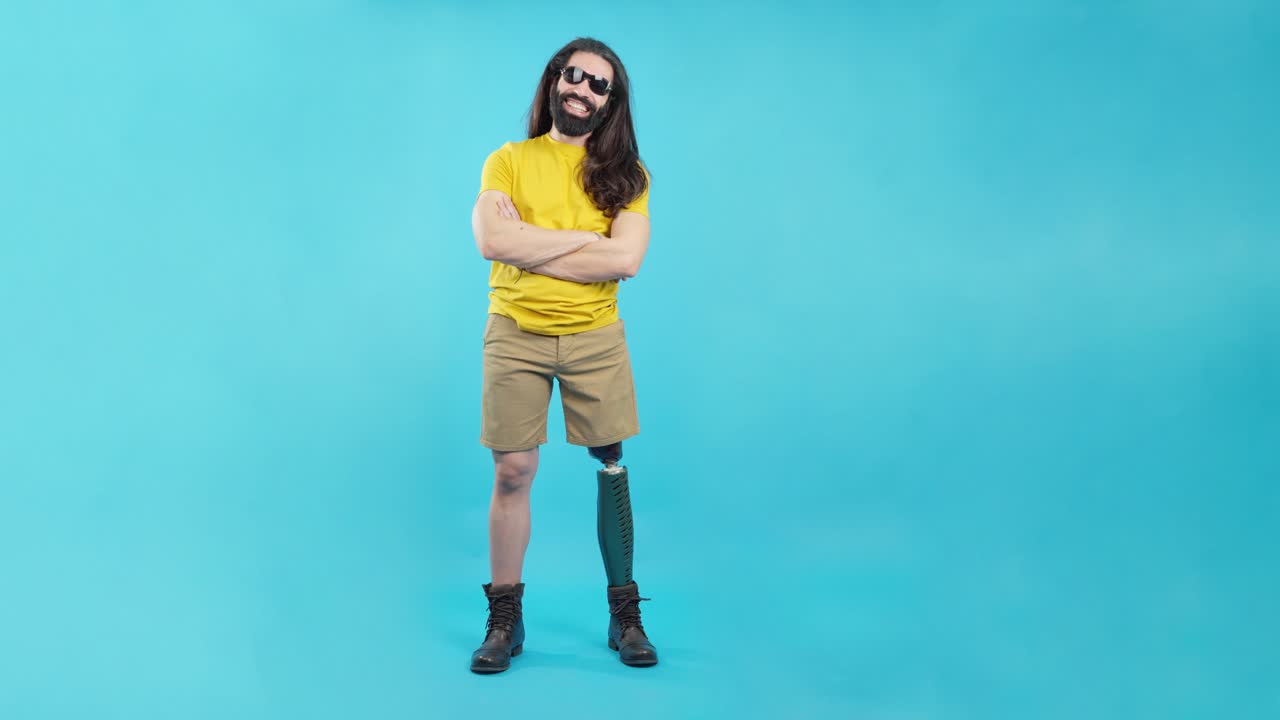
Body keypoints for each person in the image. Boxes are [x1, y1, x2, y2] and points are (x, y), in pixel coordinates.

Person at [467, 37, 658, 674]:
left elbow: (626, 259)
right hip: (515, 331)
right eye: (572, 75)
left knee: (611, 466)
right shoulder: (508, 160)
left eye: (597, 84)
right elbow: (491, 241)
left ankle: (624, 612)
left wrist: (533, 241)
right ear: (555, 81)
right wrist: (582, 243)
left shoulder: (628, 176)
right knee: (513, 472)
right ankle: (505, 617)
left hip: (594, 336)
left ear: (610, 102)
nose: (581, 88)